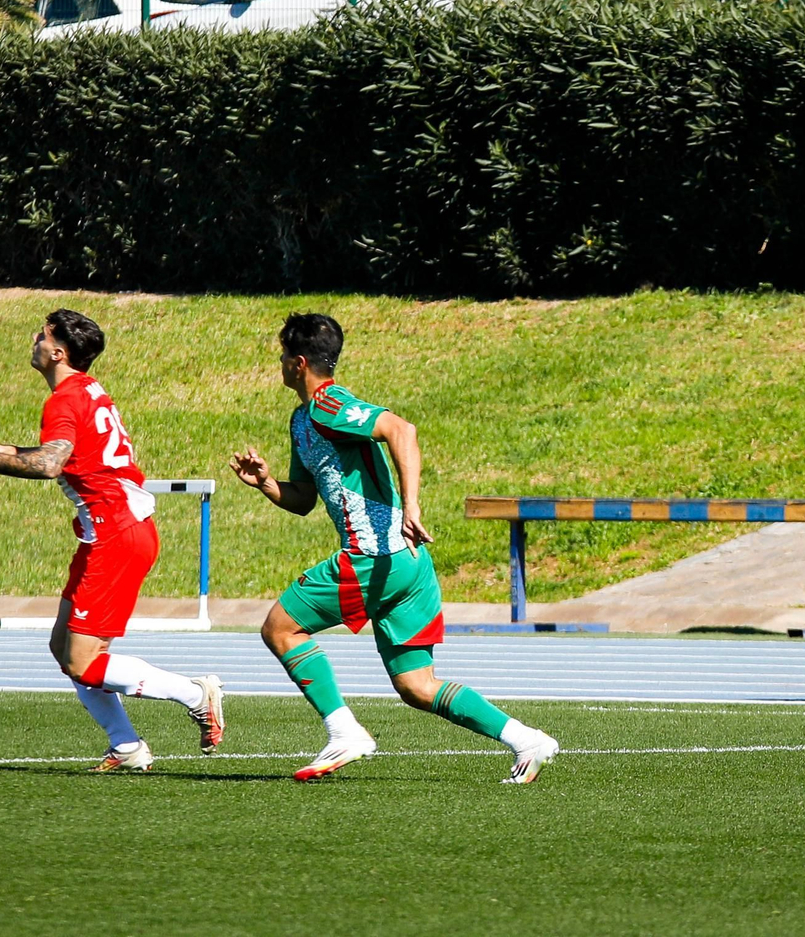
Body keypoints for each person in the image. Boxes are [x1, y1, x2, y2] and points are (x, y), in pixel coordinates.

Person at [230, 312, 559, 783]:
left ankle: (344, 732)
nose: (280, 364)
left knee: (281, 629)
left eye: (284, 356)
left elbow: (401, 430)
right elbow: (303, 499)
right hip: (407, 565)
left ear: (299, 363)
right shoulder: (302, 419)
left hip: (375, 556)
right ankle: (527, 740)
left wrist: (412, 506)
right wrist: (266, 484)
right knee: (417, 686)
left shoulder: (329, 404)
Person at [0, 309, 223, 771]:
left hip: (117, 532)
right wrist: (0, 447)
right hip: (109, 531)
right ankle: (127, 746)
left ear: (57, 352)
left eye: (42, 335)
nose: (34, 339)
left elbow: (52, 463)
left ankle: (196, 693)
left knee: (81, 661)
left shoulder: (62, 400)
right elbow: (74, 457)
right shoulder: (87, 391)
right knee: (63, 649)